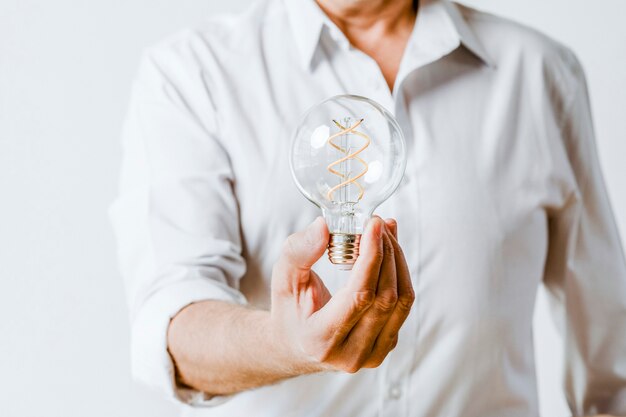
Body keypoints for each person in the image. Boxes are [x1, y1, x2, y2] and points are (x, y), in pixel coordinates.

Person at [110, 0, 626, 415]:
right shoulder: (194, 74)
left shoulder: (539, 74)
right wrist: (285, 343)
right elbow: (172, 323)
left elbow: (610, 352)